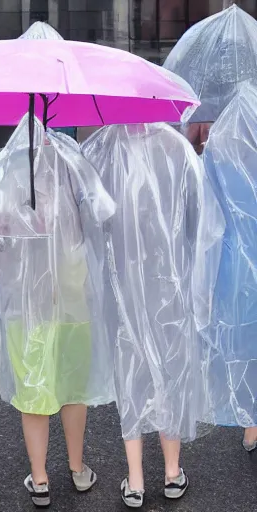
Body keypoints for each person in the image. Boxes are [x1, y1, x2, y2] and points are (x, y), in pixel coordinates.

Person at [0, 114, 115, 507]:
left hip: (27, 304)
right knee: (71, 386)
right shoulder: (74, 163)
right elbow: (101, 215)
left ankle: (40, 477)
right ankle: (78, 469)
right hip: (73, 296)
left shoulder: (5, 168)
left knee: (34, 384)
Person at [83, 123, 224, 508]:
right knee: (170, 374)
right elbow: (201, 223)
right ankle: (172, 473)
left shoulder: (103, 147)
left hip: (123, 285)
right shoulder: (178, 148)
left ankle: (135, 479)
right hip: (170, 287)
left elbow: (92, 222)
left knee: (131, 373)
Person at [202, 85, 257, 456]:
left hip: (234, 259)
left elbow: (209, 216)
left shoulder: (217, 151)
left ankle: (251, 425)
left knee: (241, 338)